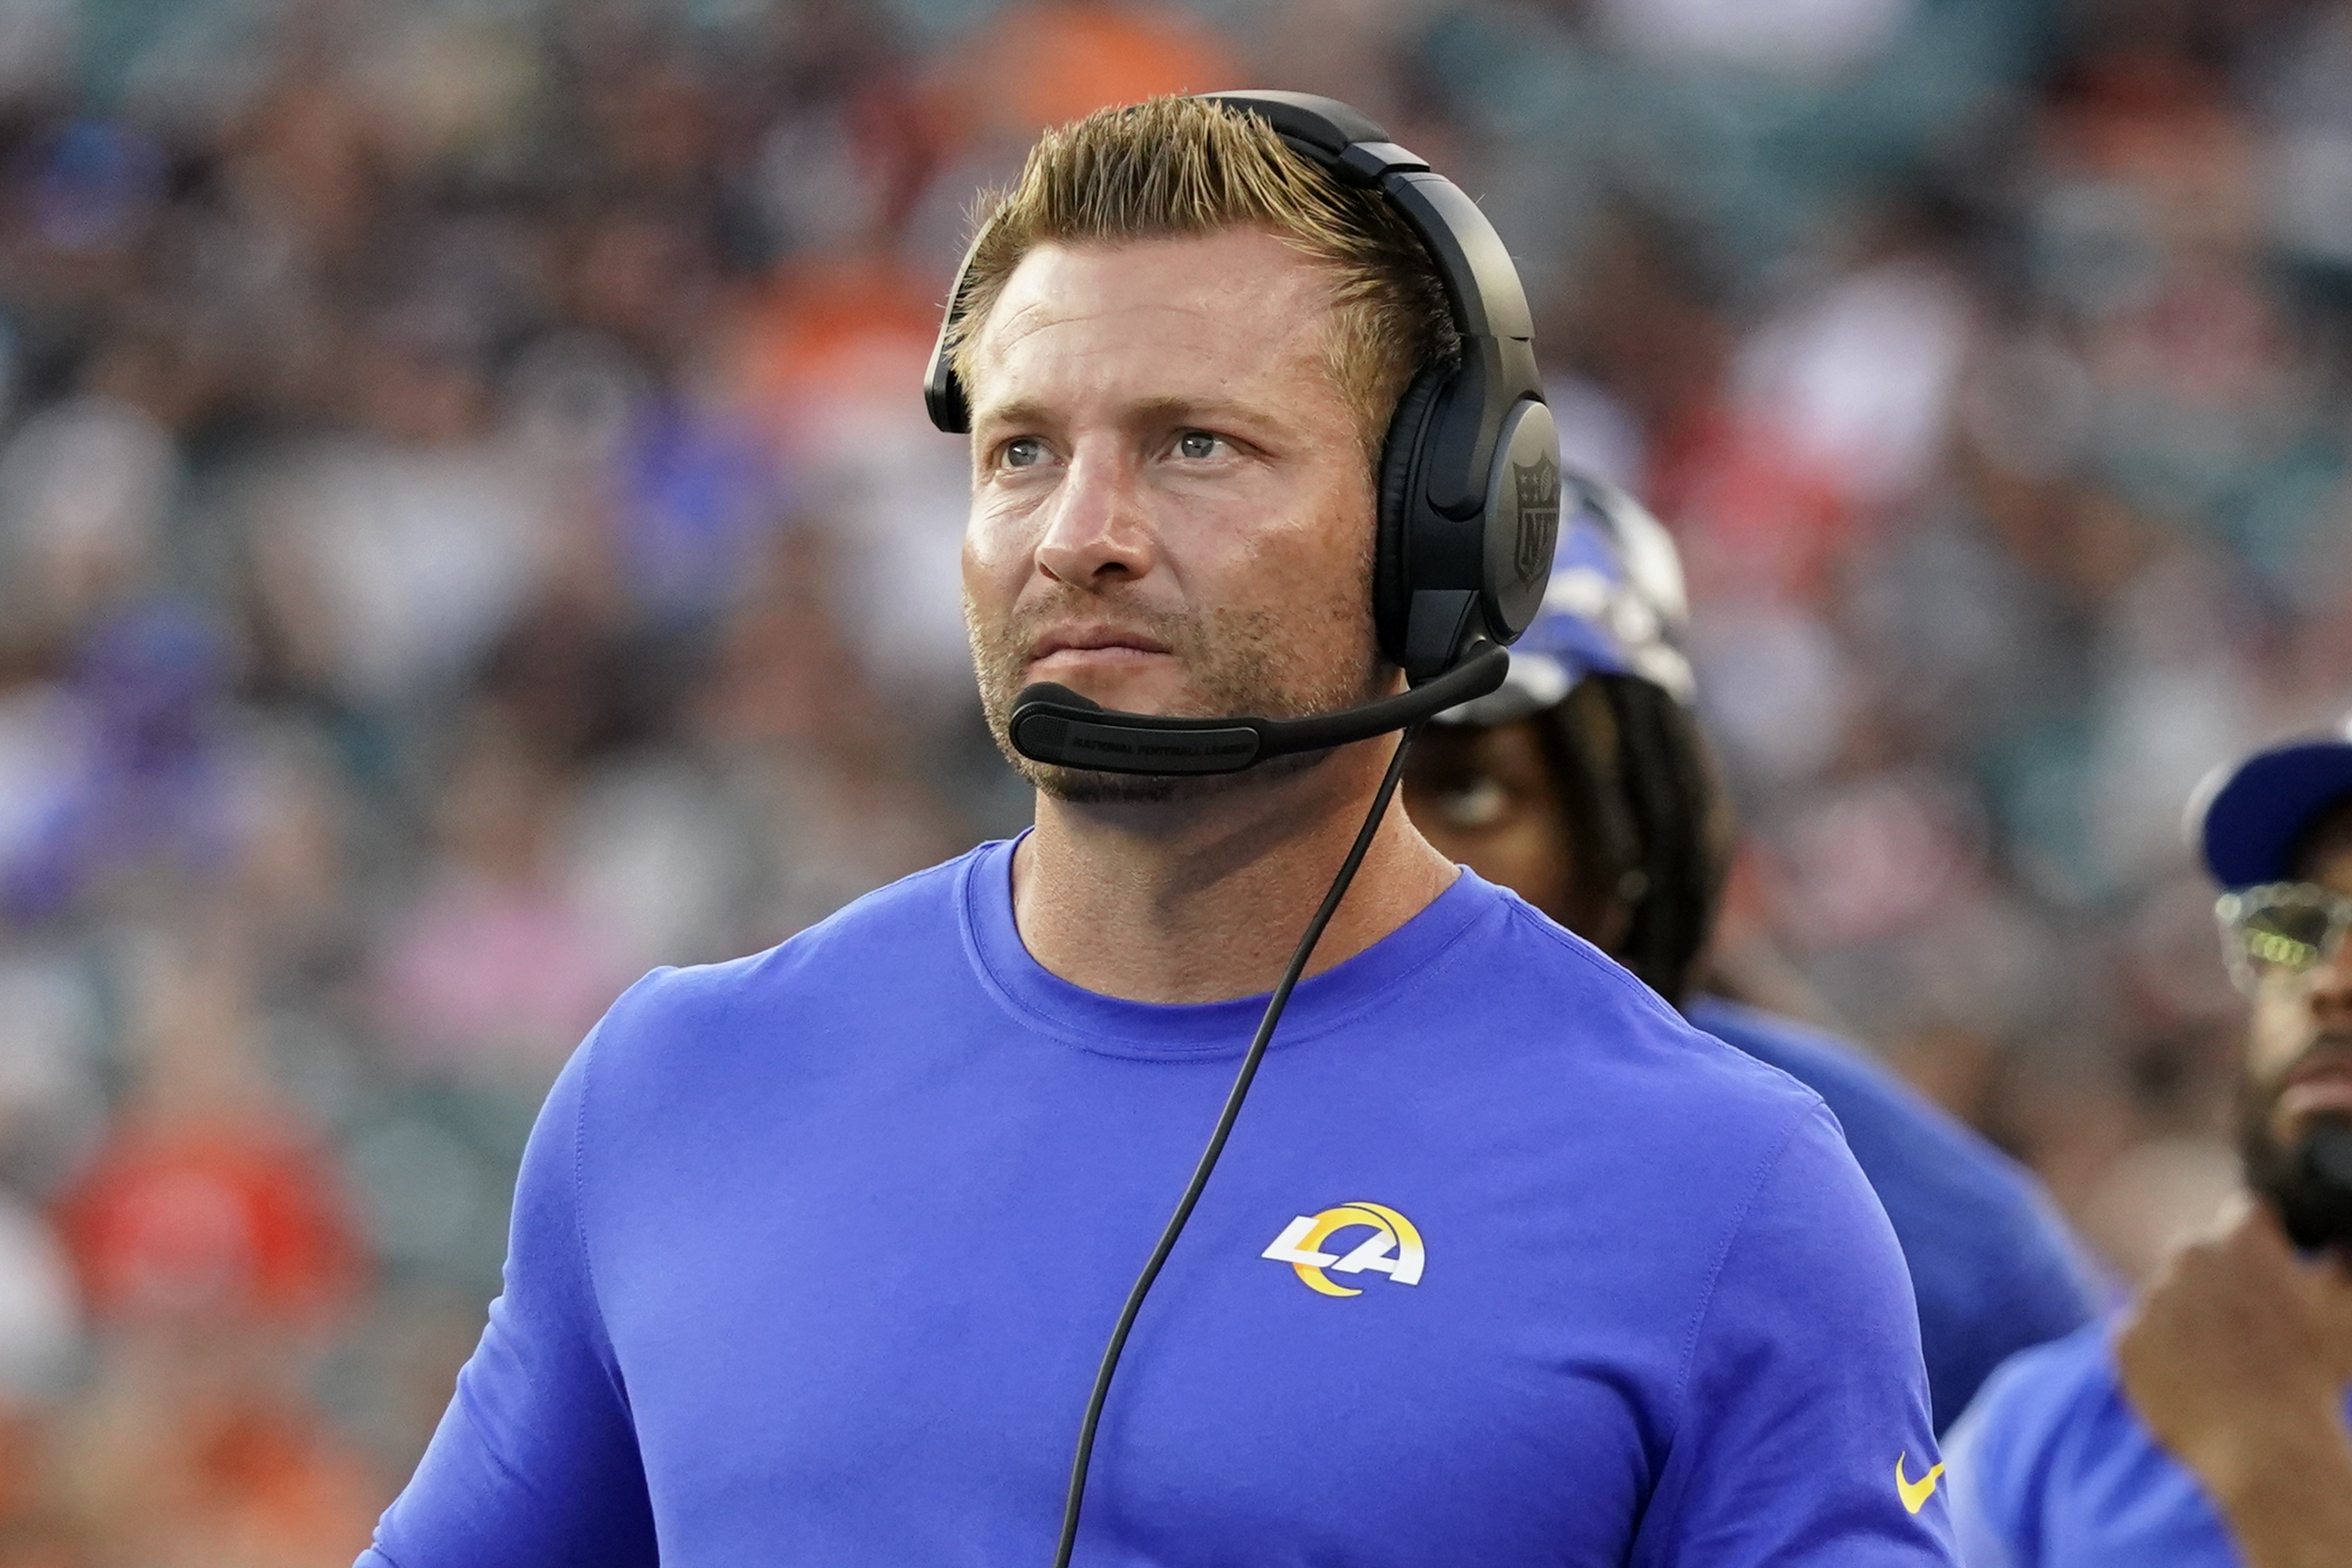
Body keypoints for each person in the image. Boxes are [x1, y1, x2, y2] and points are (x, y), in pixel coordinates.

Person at [360, 95, 1954, 1565]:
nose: (1082, 537)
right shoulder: (675, 1088)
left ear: (1440, 533)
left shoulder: (1723, 1191)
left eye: (1195, 445)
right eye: (1023, 452)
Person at [1401, 479, 2105, 1435]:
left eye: (1468, 790)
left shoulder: (1924, 1245)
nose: (1377, 847)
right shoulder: (1153, 1115)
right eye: (1327, 775)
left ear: (1625, 834)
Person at [1940, 720, 2352, 1565]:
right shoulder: (2071, 1415)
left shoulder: (2227, 1416)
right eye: (2295, 926)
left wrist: (2276, 1471)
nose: (2329, 981)